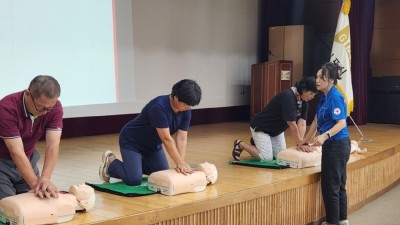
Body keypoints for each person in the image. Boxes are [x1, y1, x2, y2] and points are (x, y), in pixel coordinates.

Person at [99, 79, 202, 185]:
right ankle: (111, 163)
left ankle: (134, 167)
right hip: (132, 141)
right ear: (175, 97)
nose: (188, 107)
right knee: (134, 180)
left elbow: (181, 137)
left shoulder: (186, 110)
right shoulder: (159, 106)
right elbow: (166, 139)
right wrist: (180, 163)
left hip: (152, 146)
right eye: (186, 104)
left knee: (162, 175)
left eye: (190, 105)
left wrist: (181, 163)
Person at [300, 62, 351, 225]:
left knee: (331, 185)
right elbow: (315, 121)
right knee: (338, 184)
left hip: (337, 145)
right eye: (317, 76)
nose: (317, 80)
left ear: (330, 80)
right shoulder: (324, 97)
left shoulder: (335, 96)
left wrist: (324, 136)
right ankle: (342, 220)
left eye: (321, 77)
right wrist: (305, 140)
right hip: (335, 145)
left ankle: (332, 222)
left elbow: (341, 123)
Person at [0, 75, 63, 200]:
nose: (45, 112)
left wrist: (45, 178)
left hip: (28, 160)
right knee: (9, 207)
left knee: (36, 204)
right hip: (2, 163)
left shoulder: (55, 108)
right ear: (28, 93)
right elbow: (16, 151)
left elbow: (53, 144)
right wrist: (36, 184)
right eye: (41, 107)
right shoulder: (6, 108)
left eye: (49, 108)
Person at [232, 76, 317, 162]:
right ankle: (240, 144)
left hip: (276, 131)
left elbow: (302, 123)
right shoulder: (288, 97)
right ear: (304, 89)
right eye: (311, 94)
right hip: (261, 127)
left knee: (281, 157)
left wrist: (301, 143)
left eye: (314, 95)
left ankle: (257, 143)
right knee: (266, 158)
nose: (312, 97)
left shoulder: (305, 102)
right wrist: (299, 142)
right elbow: (292, 124)